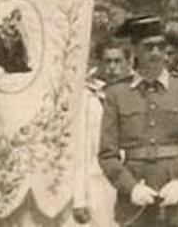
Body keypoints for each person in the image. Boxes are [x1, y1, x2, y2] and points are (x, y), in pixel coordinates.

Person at [97, 16, 178, 226]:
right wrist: (131, 187)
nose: (156, 53)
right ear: (134, 49)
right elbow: (107, 155)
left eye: (160, 46)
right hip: (136, 205)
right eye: (148, 47)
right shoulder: (116, 94)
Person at [72, 41, 134, 227]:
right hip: (98, 182)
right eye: (107, 61)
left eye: (118, 61)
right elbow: (80, 147)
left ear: (128, 62)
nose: (112, 68)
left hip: (132, 180)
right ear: (99, 63)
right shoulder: (88, 96)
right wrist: (79, 198)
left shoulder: (137, 92)